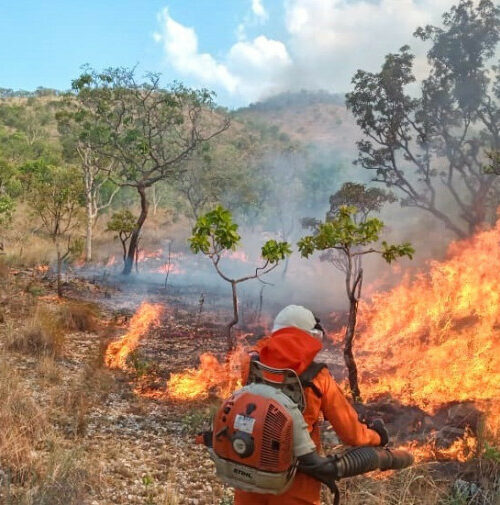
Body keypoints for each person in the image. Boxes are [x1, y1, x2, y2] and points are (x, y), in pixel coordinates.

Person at [235, 305, 387, 505]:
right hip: (296, 478)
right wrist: (377, 435)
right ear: (308, 338)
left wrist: (277, 336)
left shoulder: (252, 366)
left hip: (248, 471)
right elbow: (351, 434)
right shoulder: (317, 377)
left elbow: (261, 348)